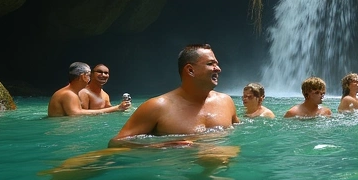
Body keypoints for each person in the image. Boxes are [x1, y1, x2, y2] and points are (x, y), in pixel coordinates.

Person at [108, 44, 240, 146]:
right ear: (190, 70)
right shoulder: (157, 107)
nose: (218, 69)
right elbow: (116, 143)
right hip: (177, 175)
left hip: (222, 176)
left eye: (216, 64)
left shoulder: (226, 101)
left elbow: (240, 132)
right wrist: (161, 146)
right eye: (210, 64)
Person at [49, 62, 127, 117]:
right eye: (89, 75)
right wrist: (117, 108)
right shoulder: (69, 94)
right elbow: (76, 114)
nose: (90, 79)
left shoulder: (71, 92)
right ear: (83, 76)